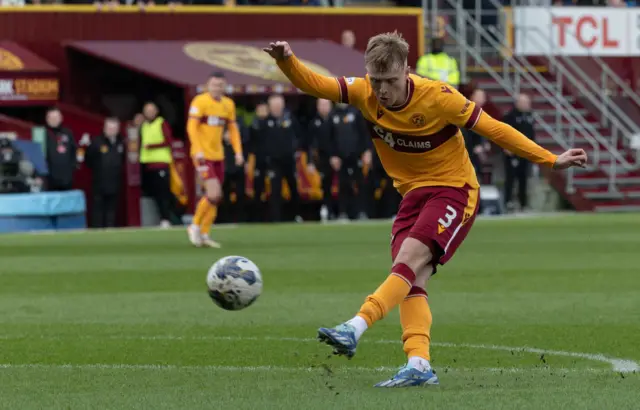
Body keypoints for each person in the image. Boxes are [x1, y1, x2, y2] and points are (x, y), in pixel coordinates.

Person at [263, 32, 587, 387]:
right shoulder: (364, 92)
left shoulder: (439, 98)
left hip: (454, 190)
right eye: (376, 80)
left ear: (406, 69)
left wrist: (551, 159)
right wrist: (286, 61)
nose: (382, 90)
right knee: (410, 279)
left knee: (410, 259)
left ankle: (355, 325)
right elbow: (317, 85)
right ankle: (419, 363)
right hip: (413, 196)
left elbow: (495, 130)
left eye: (389, 81)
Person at [187, 72, 243, 247]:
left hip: (218, 155)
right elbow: (191, 127)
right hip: (202, 155)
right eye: (213, 84)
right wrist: (197, 149)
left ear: (224, 86)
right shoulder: (200, 101)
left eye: (220, 85)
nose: (216, 88)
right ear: (208, 85)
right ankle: (194, 225)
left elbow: (233, 130)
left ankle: (204, 233)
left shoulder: (228, 104)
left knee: (215, 197)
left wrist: (238, 152)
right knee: (213, 193)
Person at [139, 102, 174, 229]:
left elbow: (168, 141)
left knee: (163, 193)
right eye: (146, 110)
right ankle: (158, 218)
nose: (149, 113)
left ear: (156, 111)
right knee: (152, 194)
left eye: (151, 110)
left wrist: (151, 146)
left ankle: (166, 219)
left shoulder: (161, 123)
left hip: (160, 164)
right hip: (148, 165)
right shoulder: (144, 125)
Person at [85, 117, 125, 228]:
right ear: (104, 128)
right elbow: (88, 160)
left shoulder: (121, 143)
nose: (111, 130)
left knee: (111, 209)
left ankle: (110, 230)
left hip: (115, 182)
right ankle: (97, 231)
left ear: (118, 129)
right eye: (109, 128)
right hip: (99, 182)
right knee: (98, 209)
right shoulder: (96, 142)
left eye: (113, 128)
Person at [502, 94, 535, 212]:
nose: (526, 105)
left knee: (523, 178)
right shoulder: (510, 116)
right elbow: (503, 133)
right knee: (510, 178)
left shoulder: (529, 116)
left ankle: (523, 203)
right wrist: (506, 147)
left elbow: (531, 134)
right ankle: (508, 202)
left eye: (527, 102)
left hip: (525, 152)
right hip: (512, 152)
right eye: (524, 102)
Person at [44, 107, 77, 192]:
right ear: (47, 119)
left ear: (61, 118)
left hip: (66, 178)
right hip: (49, 179)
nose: (54, 120)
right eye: (51, 118)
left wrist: (72, 167)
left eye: (56, 117)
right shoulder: (42, 133)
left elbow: (74, 150)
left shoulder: (68, 133)